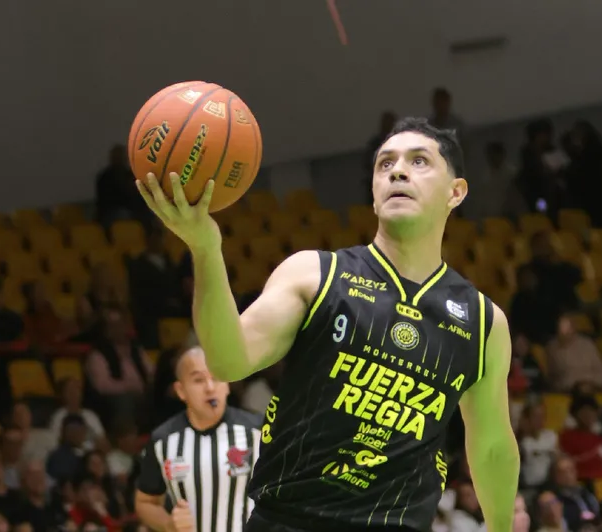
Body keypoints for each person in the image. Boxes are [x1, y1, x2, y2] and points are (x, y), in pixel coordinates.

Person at [137, 117, 519, 531]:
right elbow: (228, 361)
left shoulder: (483, 323)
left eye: (419, 161)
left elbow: (492, 446)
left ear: (455, 192)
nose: (398, 171)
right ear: (374, 194)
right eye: (385, 164)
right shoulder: (315, 274)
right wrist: (205, 249)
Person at [135, 347, 262, 532]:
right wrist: (168, 524)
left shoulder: (258, 430)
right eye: (198, 380)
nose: (210, 387)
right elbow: (146, 502)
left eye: (216, 377)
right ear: (181, 390)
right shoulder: (163, 440)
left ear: (227, 384)